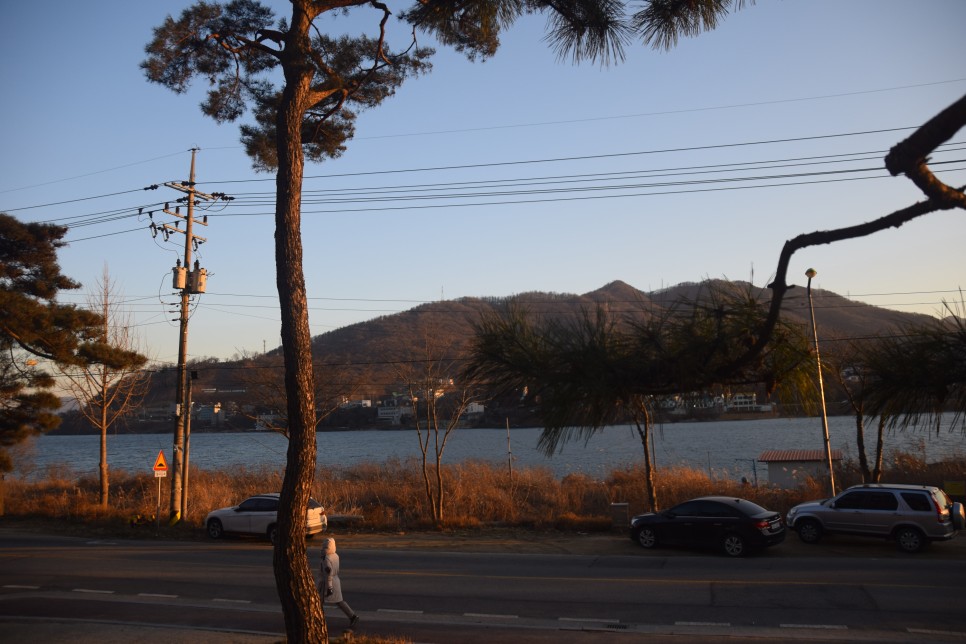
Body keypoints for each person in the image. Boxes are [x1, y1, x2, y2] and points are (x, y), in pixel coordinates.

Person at [319, 537, 359, 629]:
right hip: (336, 580)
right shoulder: (335, 555)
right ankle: (352, 616)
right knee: (339, 601)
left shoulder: (326, 558)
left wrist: (329, 587)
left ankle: (317, 620)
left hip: (327, 583)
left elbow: (328, 573)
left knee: (318, 601)